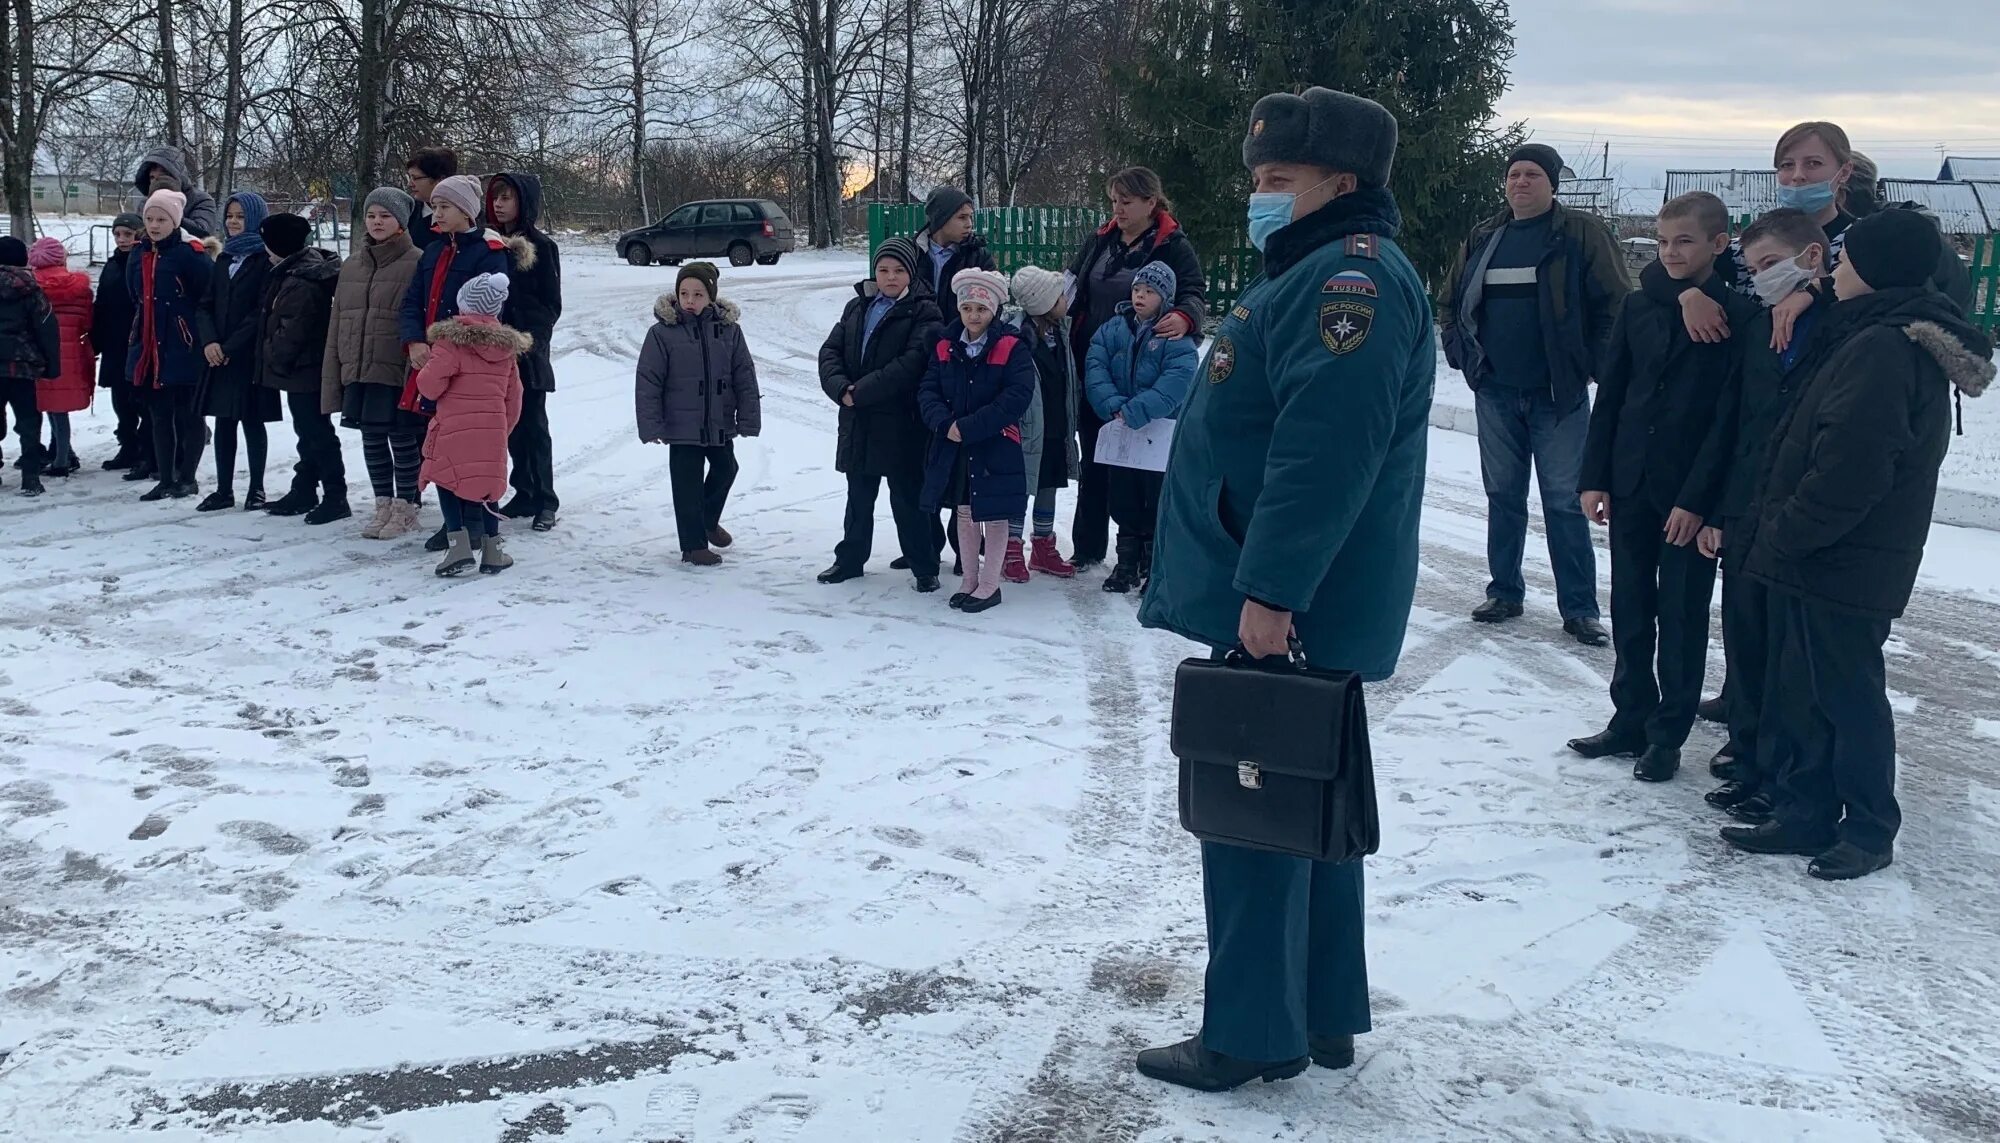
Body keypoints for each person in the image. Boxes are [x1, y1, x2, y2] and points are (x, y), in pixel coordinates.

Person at [1135, 87, 1433, 1093]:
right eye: (1255, 179)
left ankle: (1254, 1032)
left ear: (1339, 185)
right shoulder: (1315, 271)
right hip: (1283, 592)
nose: (1257, 196)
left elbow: (1322, 451)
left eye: (1277, 181)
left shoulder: (1347, 281)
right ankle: (1321, 1011)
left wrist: (1267, 593)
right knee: (1307, 807)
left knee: (1250, 812)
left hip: (1280, 602)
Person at [1722, 210, 1993, 880]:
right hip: (1829, 556)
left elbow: (1853, 469)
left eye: (1845, 262)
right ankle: (1806, 809)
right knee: (1808, 691)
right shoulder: (1869, 332)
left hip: (1844, 558)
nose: (1834, 272)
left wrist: (1785, 534)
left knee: (1846, 695)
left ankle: (1870, 828)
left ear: (1874, 269)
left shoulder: (1882, 348)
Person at [1569, 192, 1757, 783]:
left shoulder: (1736, 316)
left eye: (1686, 241)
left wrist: (1700, 503)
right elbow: (1614, 394)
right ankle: (1629, 716)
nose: (1671, 252)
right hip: (1630, 484)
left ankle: (1668, 734)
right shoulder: (1638, 306)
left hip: (1688, 499)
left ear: (1719, 245)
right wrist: (1594, 476)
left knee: (1681, 616)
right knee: (1630, 607)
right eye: (1664, 241)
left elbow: (1730, 421)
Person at [1437, 143, 1626, 646]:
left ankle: (1580, 609)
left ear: (1552, 183)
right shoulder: (1486, 236)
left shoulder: (1580, 233)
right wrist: (1461, 353)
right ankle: (1504, 591)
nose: (1521, 182)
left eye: (1532, 175)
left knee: (1566, 501)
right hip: (1496, 391)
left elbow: (1615, 302)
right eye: (1514, 174)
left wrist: (1596, 365)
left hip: (1557, 395)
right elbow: (1451, 301)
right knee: (1503, 496)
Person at [1688, 209, 1835, 821]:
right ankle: (1749, 760)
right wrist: (1718, 510)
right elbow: (1737, 426)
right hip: (1747, 511)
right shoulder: (1756, 330)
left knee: (1788, 660)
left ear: (1811, 260)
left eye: (1772, 265)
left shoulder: (1839, 326)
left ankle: (1784, 777)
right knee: (1746, 646)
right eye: (1754, 270)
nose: (1761, 279)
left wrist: (1808, 300)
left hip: (1799, 517)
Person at [1662, 122, 1972, 344]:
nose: (1797, 176)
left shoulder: (1864, 245)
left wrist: (1815, 290)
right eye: (1786, 165)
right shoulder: (1753, 245)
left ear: (1844, 172)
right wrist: (1687, 295)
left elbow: (1905, 299)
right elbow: (1666, 266)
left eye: (1813, 164)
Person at [1064, 168, 1207, 568]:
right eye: (1113, 200)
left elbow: (1194, 292)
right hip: (1096, 364)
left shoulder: (1173, 244)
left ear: (1151, 202)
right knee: (1095, 455)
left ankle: (1144, 551)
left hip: (1147, 367)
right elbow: (1072, 284)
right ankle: (1088, 546)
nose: (1118, 208)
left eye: (1126, 201)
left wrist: (1185, 317)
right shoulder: (1100, 239)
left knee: (1144, 467)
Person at [816, 237, 944, 592]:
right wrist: (840, 387)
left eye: (899, 270)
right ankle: (850, 559)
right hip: (858, 421)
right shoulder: (857, 307)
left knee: (907, 498)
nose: (890, 277)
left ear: (911, 273)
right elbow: (831, 350)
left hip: (900, 422)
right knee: (858, 496)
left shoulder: (924, 311)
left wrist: (862, 392)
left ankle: (924, 565)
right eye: (884, 270)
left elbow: (911, 363)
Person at [400, 173, 519, 551]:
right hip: (434, 358)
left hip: (470, 367)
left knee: (472, 451)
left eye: (445, 206)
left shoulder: (489, 251)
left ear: (467, 212)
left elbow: (493, 308)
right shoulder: (433, 250)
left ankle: (477, 526)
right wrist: (415, 341)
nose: (437, 213)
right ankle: (455, 526)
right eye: (434, 205)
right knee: (443, 443)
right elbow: (414, 299)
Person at [917, 267, 1035, 613]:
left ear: (995, 310)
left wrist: (971, 426)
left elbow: (1016, 395)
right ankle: (969, 579)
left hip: (995, 444)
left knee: (995, 515)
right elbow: (928, 390)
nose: (973, 315)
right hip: (953, 444)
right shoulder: (944, 346)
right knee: (964, 512)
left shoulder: (1011, 346)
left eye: (981, 309)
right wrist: (945, 424)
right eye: (967, 308)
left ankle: (989, 584)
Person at [634, 262, 762, 566]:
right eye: (684, 293)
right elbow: (648, 380)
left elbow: (744, 374)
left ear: (711, 297)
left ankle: (706, 520)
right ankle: (693, 546)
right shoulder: (662, 333)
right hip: (681, 426)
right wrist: (651, 425)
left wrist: (748, 418)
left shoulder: (729, 331)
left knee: (727, 469)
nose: (690, 300)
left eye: (698, 294)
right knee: (687, 484)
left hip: (717, 422)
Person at [1083, 260, 1197, 594]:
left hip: (1157, 435)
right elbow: (1096, 365)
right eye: (1137, 290)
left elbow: (1178, 380)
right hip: (1121, 433)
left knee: (1156, 499)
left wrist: (1137, 410)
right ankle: (1126, 563)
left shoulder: (1176, 337)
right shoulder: (1113, 328)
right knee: (1122, 498)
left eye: (1149, 291)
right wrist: (1112, 405)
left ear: (1165, 297)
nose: (1140, 297)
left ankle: (1154, 566)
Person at [326, 187, 427, 540]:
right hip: (359, 366)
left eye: (385, 215)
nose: (377, 222)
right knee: (371, 437)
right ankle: (382, 502)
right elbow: (338, 321)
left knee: (402, 438)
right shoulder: (353, 263)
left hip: (395, 367)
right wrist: (337, 368)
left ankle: (406, 505)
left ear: (400, 221)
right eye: (371, 215)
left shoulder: (417, 260)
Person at [418, 272, 527, 576]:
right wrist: (503, 429)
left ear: (463, 306)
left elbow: (429, 386)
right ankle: (493, 550)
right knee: (488, 489)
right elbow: (514, 395)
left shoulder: (451, 342)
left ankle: (459, 547)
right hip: (491, 431)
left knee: (447, 480)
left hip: (453, 428)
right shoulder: (506, 351)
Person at [254, 213, 346, 524]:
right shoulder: (293, 271)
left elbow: (292, 330)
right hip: (302, 369)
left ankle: (336, 495)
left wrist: (270, 354)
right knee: (307, 432)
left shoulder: (300, 281)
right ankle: (305, 486)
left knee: (316, 433)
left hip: (306, 368)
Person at [193, 191, 281, 511]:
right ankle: (223, 489)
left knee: (251, 421)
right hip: (217, 355)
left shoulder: (264, 261)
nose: (233, 222)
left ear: (255, 220)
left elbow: (261, 311)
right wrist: (209, 341)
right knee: (224, 422)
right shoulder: (225, 258)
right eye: (230, 215)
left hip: (247, 355)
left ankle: (256, 489)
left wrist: (230, 346)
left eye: (241, 216)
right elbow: (204, 305)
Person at [486, 171, 563, 532]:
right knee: (510, 427)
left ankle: (546, 498)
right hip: (491, 349)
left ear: (524, 202)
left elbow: (551, 305)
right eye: (496, 197)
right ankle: (525, 490)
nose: (500, 204)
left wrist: (529, 339)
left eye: (507, 198)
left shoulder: (542, 246)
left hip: (527, 351)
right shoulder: (486, 242)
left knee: (534, 425)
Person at [128, 189, 212, 502]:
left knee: (188, 414)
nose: (154, 224)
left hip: (183, 345)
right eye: (149, 218)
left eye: (161, 219)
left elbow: (207, 296)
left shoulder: (190, 254)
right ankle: (164, 477)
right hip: (149, 346)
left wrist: (190, 330)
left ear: (175, 221)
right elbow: (133, 292)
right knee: (158, 415)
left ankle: (187, 478)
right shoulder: (138, 253)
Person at [1003, 264, 1080, 580]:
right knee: (1019, 488)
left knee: (1049, 484)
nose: (1066, 301)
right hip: (1027, 429)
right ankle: (1010, 548)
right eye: (1061, 296)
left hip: (1056, 427)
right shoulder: (1018, 340)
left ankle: (1043, 546)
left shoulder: (1061, 334)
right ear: (1045, 304)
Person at [27, 238, 93, 479]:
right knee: (59, 408)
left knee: (50, 406)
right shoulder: (79, 287)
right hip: (72, 352)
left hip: (40, 353)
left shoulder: (29, 286)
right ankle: (64, 454)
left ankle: (62, 460)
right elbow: (87, 321)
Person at [0, 236, 60, 498]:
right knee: (28, 421)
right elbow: (46, 328)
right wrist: (52, 366)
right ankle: (31, 477)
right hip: (22, 366)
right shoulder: (31, 289)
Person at [95, 213, 149, 477]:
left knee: (141, 397)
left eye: (128, 234)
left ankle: (145, 449)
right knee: (120, 398)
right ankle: (127, 445)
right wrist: (96, 337)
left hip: (139, 339)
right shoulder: (113, 264)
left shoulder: (145, 260)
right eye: (117, 234)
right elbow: (101, 301)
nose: (122, 239)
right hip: (115, 340)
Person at [910, 187, 996, 334]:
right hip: (916, 342)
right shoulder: (912, 254)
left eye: (970, 217)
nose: (969, 224)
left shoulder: (978, 257)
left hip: (959, 346)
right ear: (941, 219)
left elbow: (994, 304)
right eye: (962, 217)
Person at [131, 145, 220, 239]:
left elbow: (203, 232)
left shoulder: (200, 200)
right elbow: (138, 236)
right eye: (152, 178)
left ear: (176, 176)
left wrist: (170, 214)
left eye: (162, 176)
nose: (156, 182)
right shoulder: (145, 203)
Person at [405, 147, 459, 250]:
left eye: (415, 178)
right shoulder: (407, 212)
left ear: (440, 180)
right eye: (409, 177)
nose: (410, 184)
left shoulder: (469, 216)